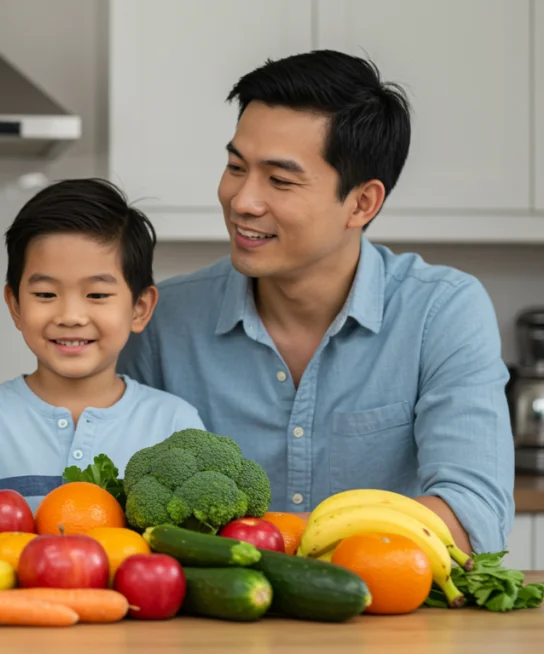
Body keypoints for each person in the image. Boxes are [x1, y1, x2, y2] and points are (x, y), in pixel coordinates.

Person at [118, 50, 515, 554]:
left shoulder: (441, 312)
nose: (242, 200)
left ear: (362, 202)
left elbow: (473, 516)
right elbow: (120, 508)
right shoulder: (163, 321)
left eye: (280, 180)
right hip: (211, 620)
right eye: (235, 166)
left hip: (392, 618)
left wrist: (269, 541)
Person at [0, 178, 205, 508]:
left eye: (97, 295)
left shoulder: (174, 424)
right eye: (46, 294)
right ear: (15, 305)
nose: (71, 316)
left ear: (140, 308)